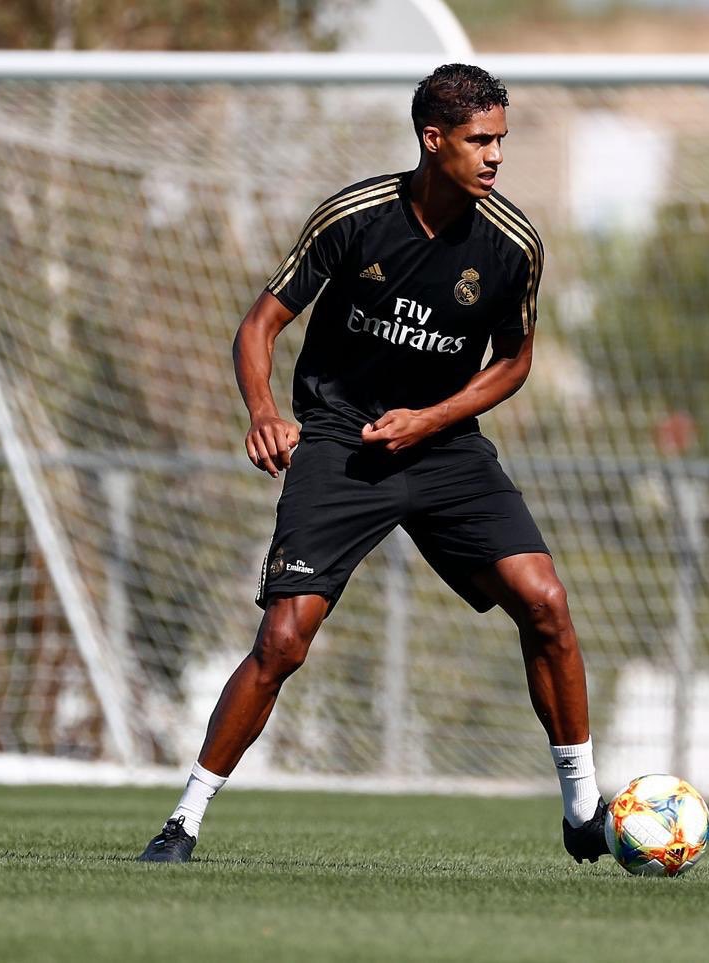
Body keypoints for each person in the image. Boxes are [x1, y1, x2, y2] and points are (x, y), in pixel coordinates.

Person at [138, 63, 608, 865]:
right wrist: (264, 413)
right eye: (479, 140)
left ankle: (583, 808)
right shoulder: (355, 218)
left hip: (444, 446)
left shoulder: (514, 244)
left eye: (501, 139)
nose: (496, 155)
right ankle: (183, 819)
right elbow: (259, 325)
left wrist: (432, 417)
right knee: (285, 638)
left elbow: (514, 361)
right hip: (341, 444)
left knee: (547, 601)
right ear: (433, 139)